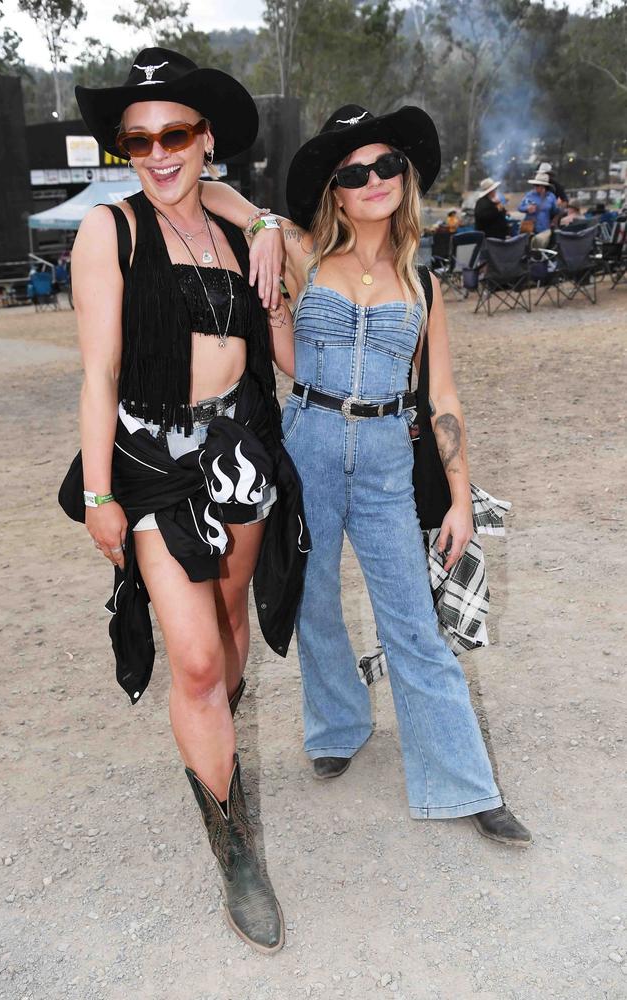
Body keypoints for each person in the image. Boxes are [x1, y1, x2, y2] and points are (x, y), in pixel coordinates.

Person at [58, 47, 311, 954]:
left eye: (174, 133)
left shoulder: (242, 230)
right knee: (198, 659)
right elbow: (97, 373)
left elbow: (283, 357)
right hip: (152, 463)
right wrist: (97, 492)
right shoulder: (110, 232)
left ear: (206, 138)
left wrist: (273, 238)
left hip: (241, 451)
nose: (157, 153)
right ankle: (237, 848)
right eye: (137, 140)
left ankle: (215, 749)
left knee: (234, 622)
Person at [272, 104, 531, 846]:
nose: (374, 178)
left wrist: (459, 501)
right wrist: (263, 231)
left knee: (414, 623)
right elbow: (229, 201)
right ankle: (337, 727)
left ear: (405, 177)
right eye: (355, 172)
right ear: (336, 191)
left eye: (387, 164)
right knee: (312, 599)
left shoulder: (423, 287)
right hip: (308, 441)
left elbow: (442, 397)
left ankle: (464, 782)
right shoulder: (303, 255)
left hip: (388, 453)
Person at [518, 172, 558, 248]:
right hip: (530, 228)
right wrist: (527, 208)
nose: (535, 187)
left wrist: (558, 208)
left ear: (544, 186)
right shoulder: (529, 195)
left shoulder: (551, 197)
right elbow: (520, 207)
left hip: (544, 229)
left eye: (537, 185)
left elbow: (554, 211)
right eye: (534, 185)